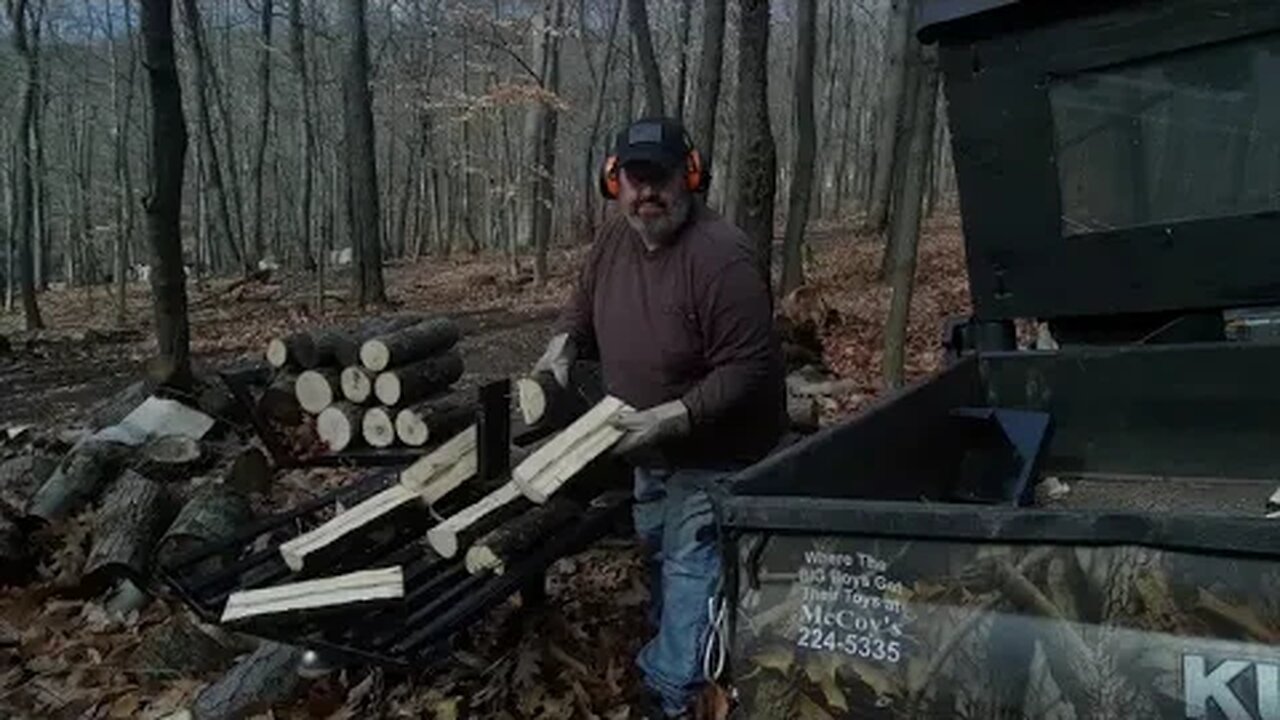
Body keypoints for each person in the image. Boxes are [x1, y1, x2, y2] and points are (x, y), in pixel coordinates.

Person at [532, 117, 786, 718]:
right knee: (656, 546)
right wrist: (565, 340)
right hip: (645, 446)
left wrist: (678, 413)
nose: (648, 194)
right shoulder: (614, 239)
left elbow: (748, 366)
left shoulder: (722, 258)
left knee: (692, 563)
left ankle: (676, 695)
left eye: (661, 179)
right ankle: (676, 639)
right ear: (613, 183)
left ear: (690, 178)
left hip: (719, 447)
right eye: (634, 180)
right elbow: (583, 302)